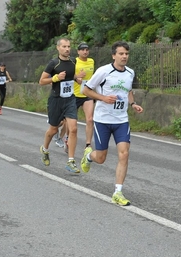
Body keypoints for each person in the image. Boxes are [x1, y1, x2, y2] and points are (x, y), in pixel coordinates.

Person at [80, 41, 144, 206]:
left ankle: (118, 191)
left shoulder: (130, 72)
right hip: (102, 120)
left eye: (126, 54)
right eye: (121, 53)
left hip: (121, 120)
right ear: (113, 55)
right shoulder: (103, 71)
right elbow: (85, 90)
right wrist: (103, 98)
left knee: (124, 154)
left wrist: (132, 104)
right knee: (100, 158)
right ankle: (88, 156)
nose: (124, 56)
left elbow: (128, 90)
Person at [38, 38, 85, 173]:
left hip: (70, 99)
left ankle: (71, 161)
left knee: (74, 128)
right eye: (64, 46)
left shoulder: (73, 61)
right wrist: (55, 78)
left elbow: (71, 75)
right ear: (58, 48)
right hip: (56, 100)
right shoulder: (53, 63)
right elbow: (41, 81)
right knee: (53, 130)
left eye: (69, 46)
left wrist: (77, 78)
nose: (67, 49)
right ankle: (45, 149)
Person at [60, 42, 95, 152]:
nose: (85, 52)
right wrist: (76, 78)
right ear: (78, 51)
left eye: (87, 49)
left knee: (90, 119)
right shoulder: (73, 61)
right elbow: (68, 74)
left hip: (87, 94)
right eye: (82, 50)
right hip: (74, 95)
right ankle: (67, 138)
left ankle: (88, 144)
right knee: (71, 122)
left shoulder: (91, 61)